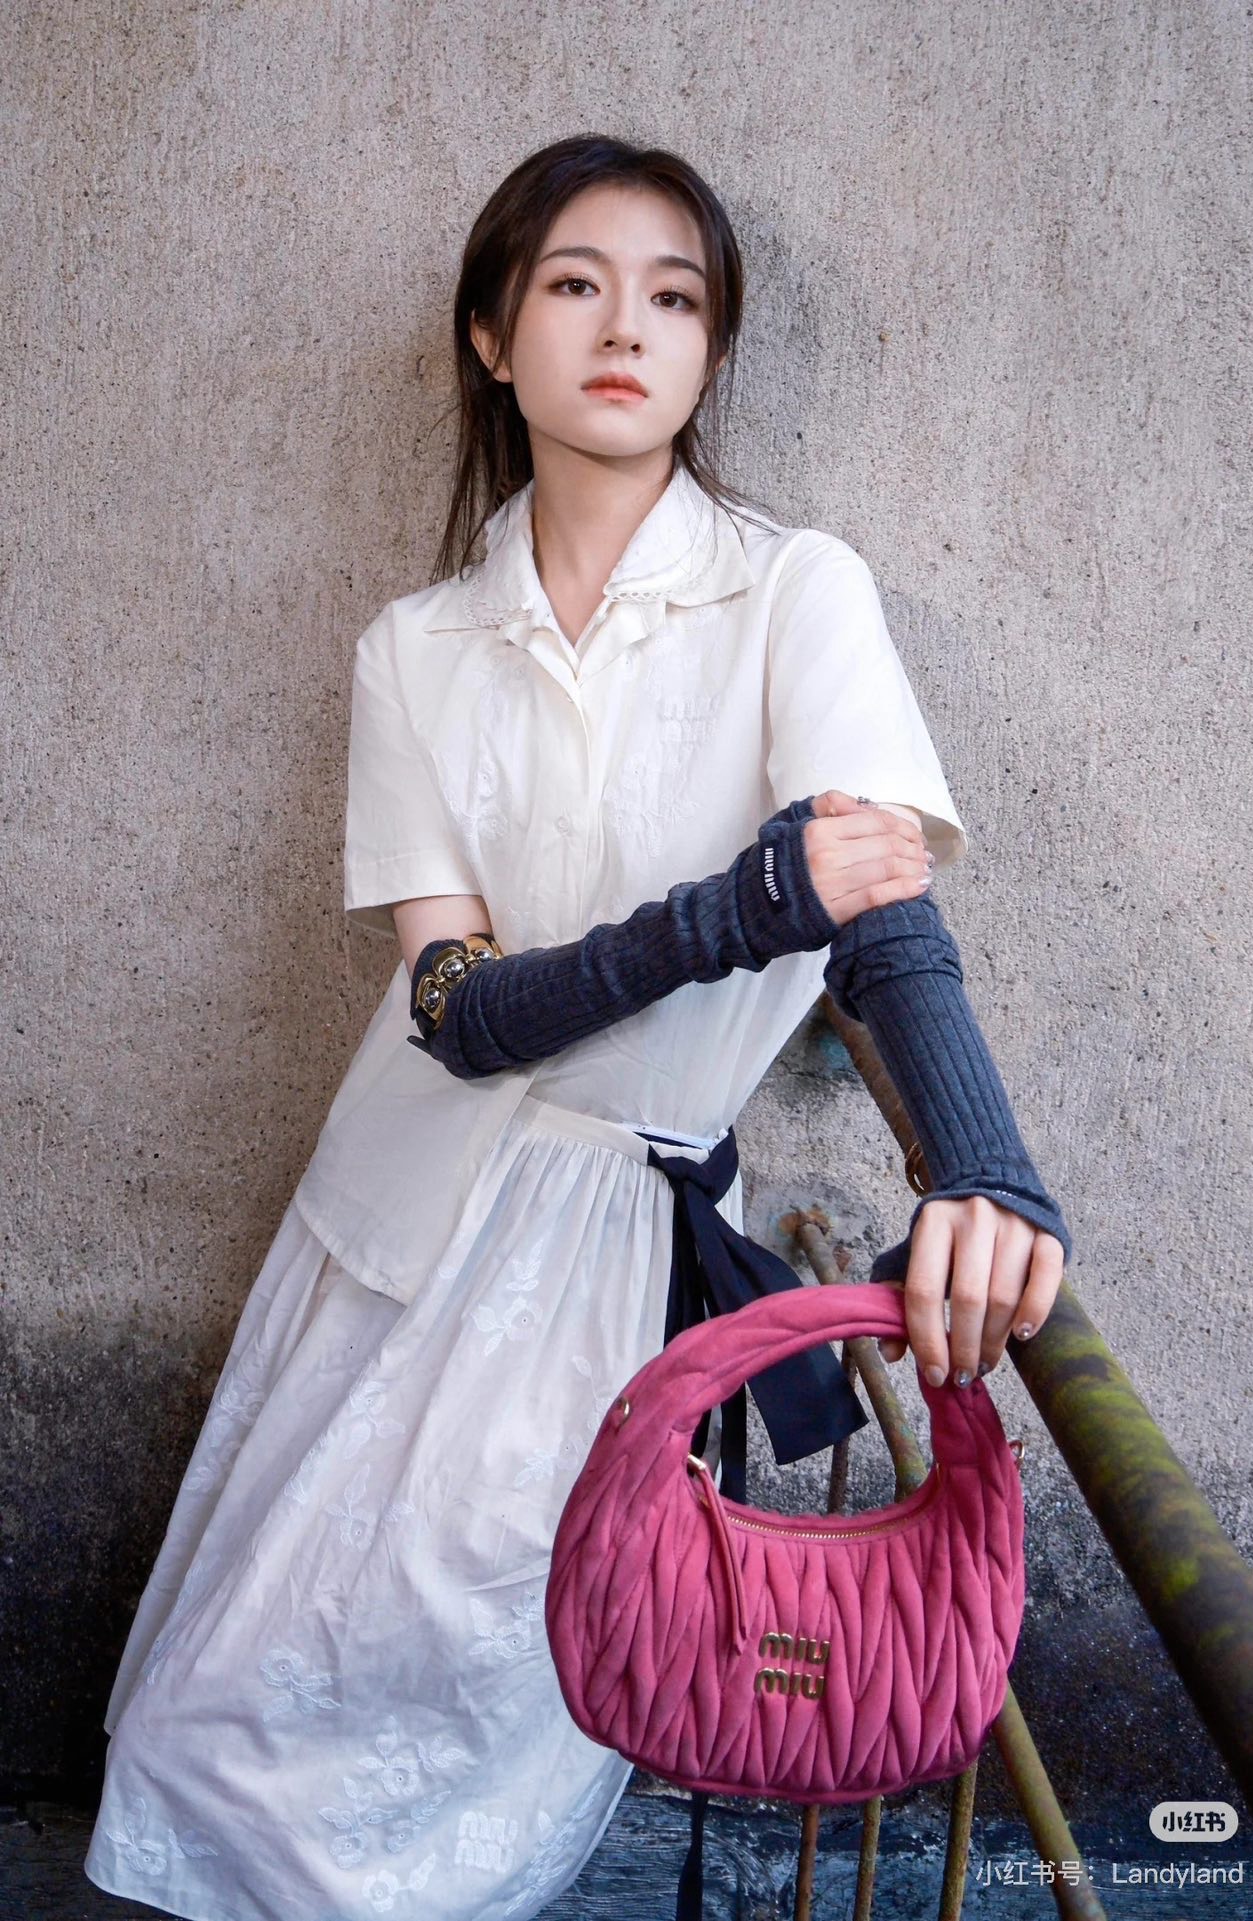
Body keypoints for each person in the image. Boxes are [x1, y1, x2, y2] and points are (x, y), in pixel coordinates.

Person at [84, 134, 1070, 1921]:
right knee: (243, 1699)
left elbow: (884, 920)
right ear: (492, 334)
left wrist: (990, 1170)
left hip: (612, 1237)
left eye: (674, 298)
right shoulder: (416, 645)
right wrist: (735, 910)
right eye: (575, 283)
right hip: (392, 1221)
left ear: (711, 351)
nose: (627, 327)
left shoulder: (794, 589)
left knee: (495, 1676)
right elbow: (459, 1012)